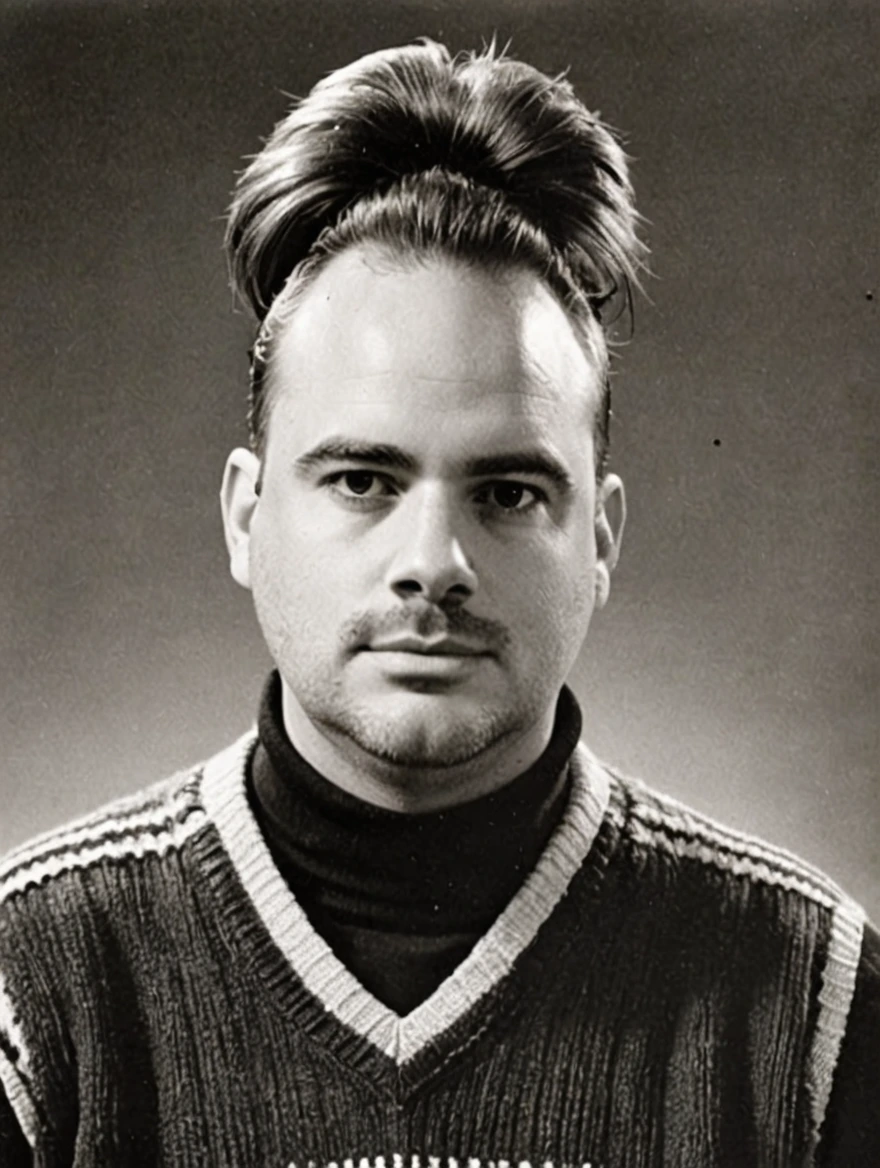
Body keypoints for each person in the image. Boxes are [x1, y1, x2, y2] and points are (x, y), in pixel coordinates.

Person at [0, 38, 876, 1168]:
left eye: (508, 490)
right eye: (362, 479)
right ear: (245, 514)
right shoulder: (35, 992)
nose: (435, 561)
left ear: (598, 538)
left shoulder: (811, 1007)